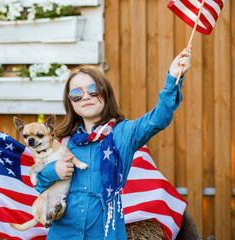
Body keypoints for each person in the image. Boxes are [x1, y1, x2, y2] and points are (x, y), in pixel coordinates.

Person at [35, 46, 192, 239]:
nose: (85, 96)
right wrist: (54, 170)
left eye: (93, 90)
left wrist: (173, 78)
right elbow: (40, 185)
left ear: (105, 93)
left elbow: (157, 119)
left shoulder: (123, 133)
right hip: (63, 234)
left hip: (106, 233)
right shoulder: (63, 141)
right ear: (70, 102)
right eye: (76, 93)